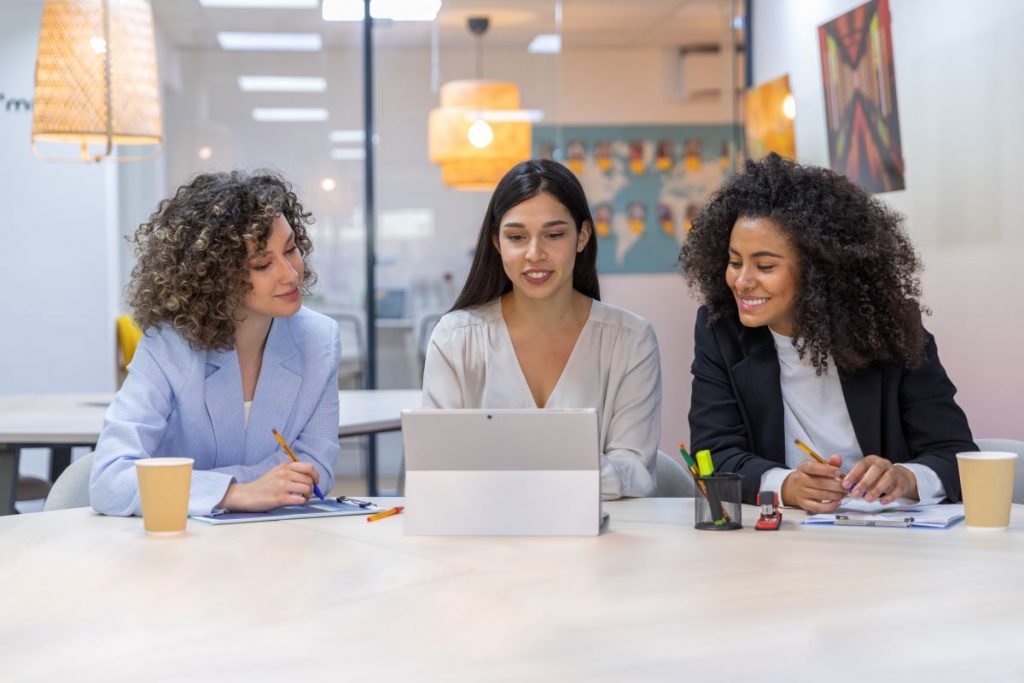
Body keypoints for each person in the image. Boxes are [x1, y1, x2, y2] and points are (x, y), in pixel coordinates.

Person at [679, 153, 975, 511]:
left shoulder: (890, 330)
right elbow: (715, 456)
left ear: (820, 269)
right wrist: (786, 485)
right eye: (735, 261)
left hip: (892, 545)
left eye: (765, 265)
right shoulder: (720, 332)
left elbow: (956, 455)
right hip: (781, 544)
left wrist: (906, 478)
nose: (742, 282)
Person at [90, 170, 341, 517]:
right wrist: (236, 493)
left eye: (291, 249)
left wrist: (186, 484)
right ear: (215, 277)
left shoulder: (319, 339)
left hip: (281, 546)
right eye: (263, 264)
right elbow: (109, 480)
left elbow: (315, 471)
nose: (291, 274)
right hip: (175, 552)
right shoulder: (168, 347)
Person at [422, 159, 661, 500]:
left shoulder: (631, 340)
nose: (535, 254)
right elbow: (438, 468)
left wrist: (511, 462)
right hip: (484, 539)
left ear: (582, 236)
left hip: (601, 542)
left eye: (554, 235)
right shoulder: (456, 337)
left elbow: (636, 474)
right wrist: (569, 464)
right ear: (496, 241)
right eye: (517, 237)